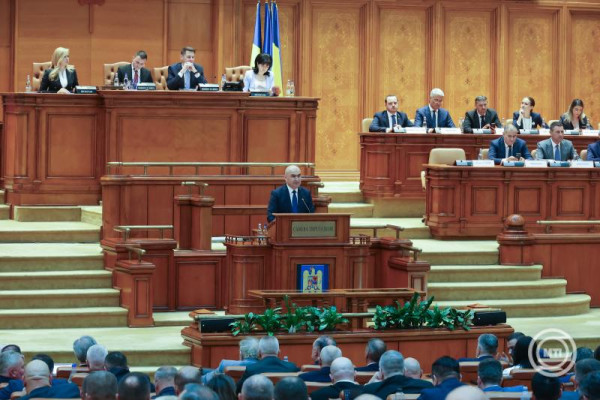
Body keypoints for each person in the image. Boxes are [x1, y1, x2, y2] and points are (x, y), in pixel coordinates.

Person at [363, 351, 433, 398]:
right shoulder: (427, 387)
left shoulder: (370, 390)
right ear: (404, 370)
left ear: (381, 371)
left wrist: (368, 384)